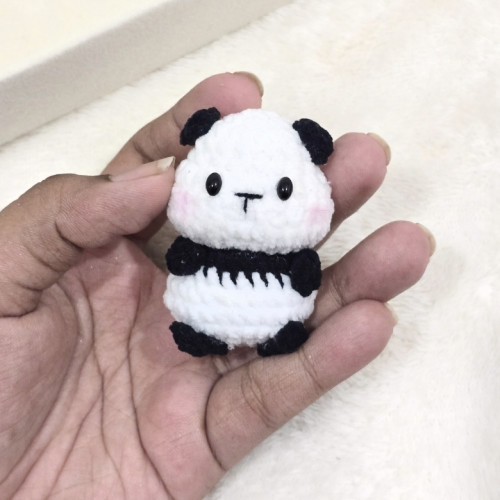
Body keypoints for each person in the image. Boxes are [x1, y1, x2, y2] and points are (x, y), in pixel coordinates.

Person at [0, 72, 434, 499]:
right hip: (204, 300)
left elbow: (303, 271)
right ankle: (205, 334)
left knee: (300, 323)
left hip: (273, 302)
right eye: (214, 185)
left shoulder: (288, 239)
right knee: (204, 320)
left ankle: (277, 335)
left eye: (284, 190)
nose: (247, 198)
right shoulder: (201, 234)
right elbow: (183, 257)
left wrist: (303, 271)